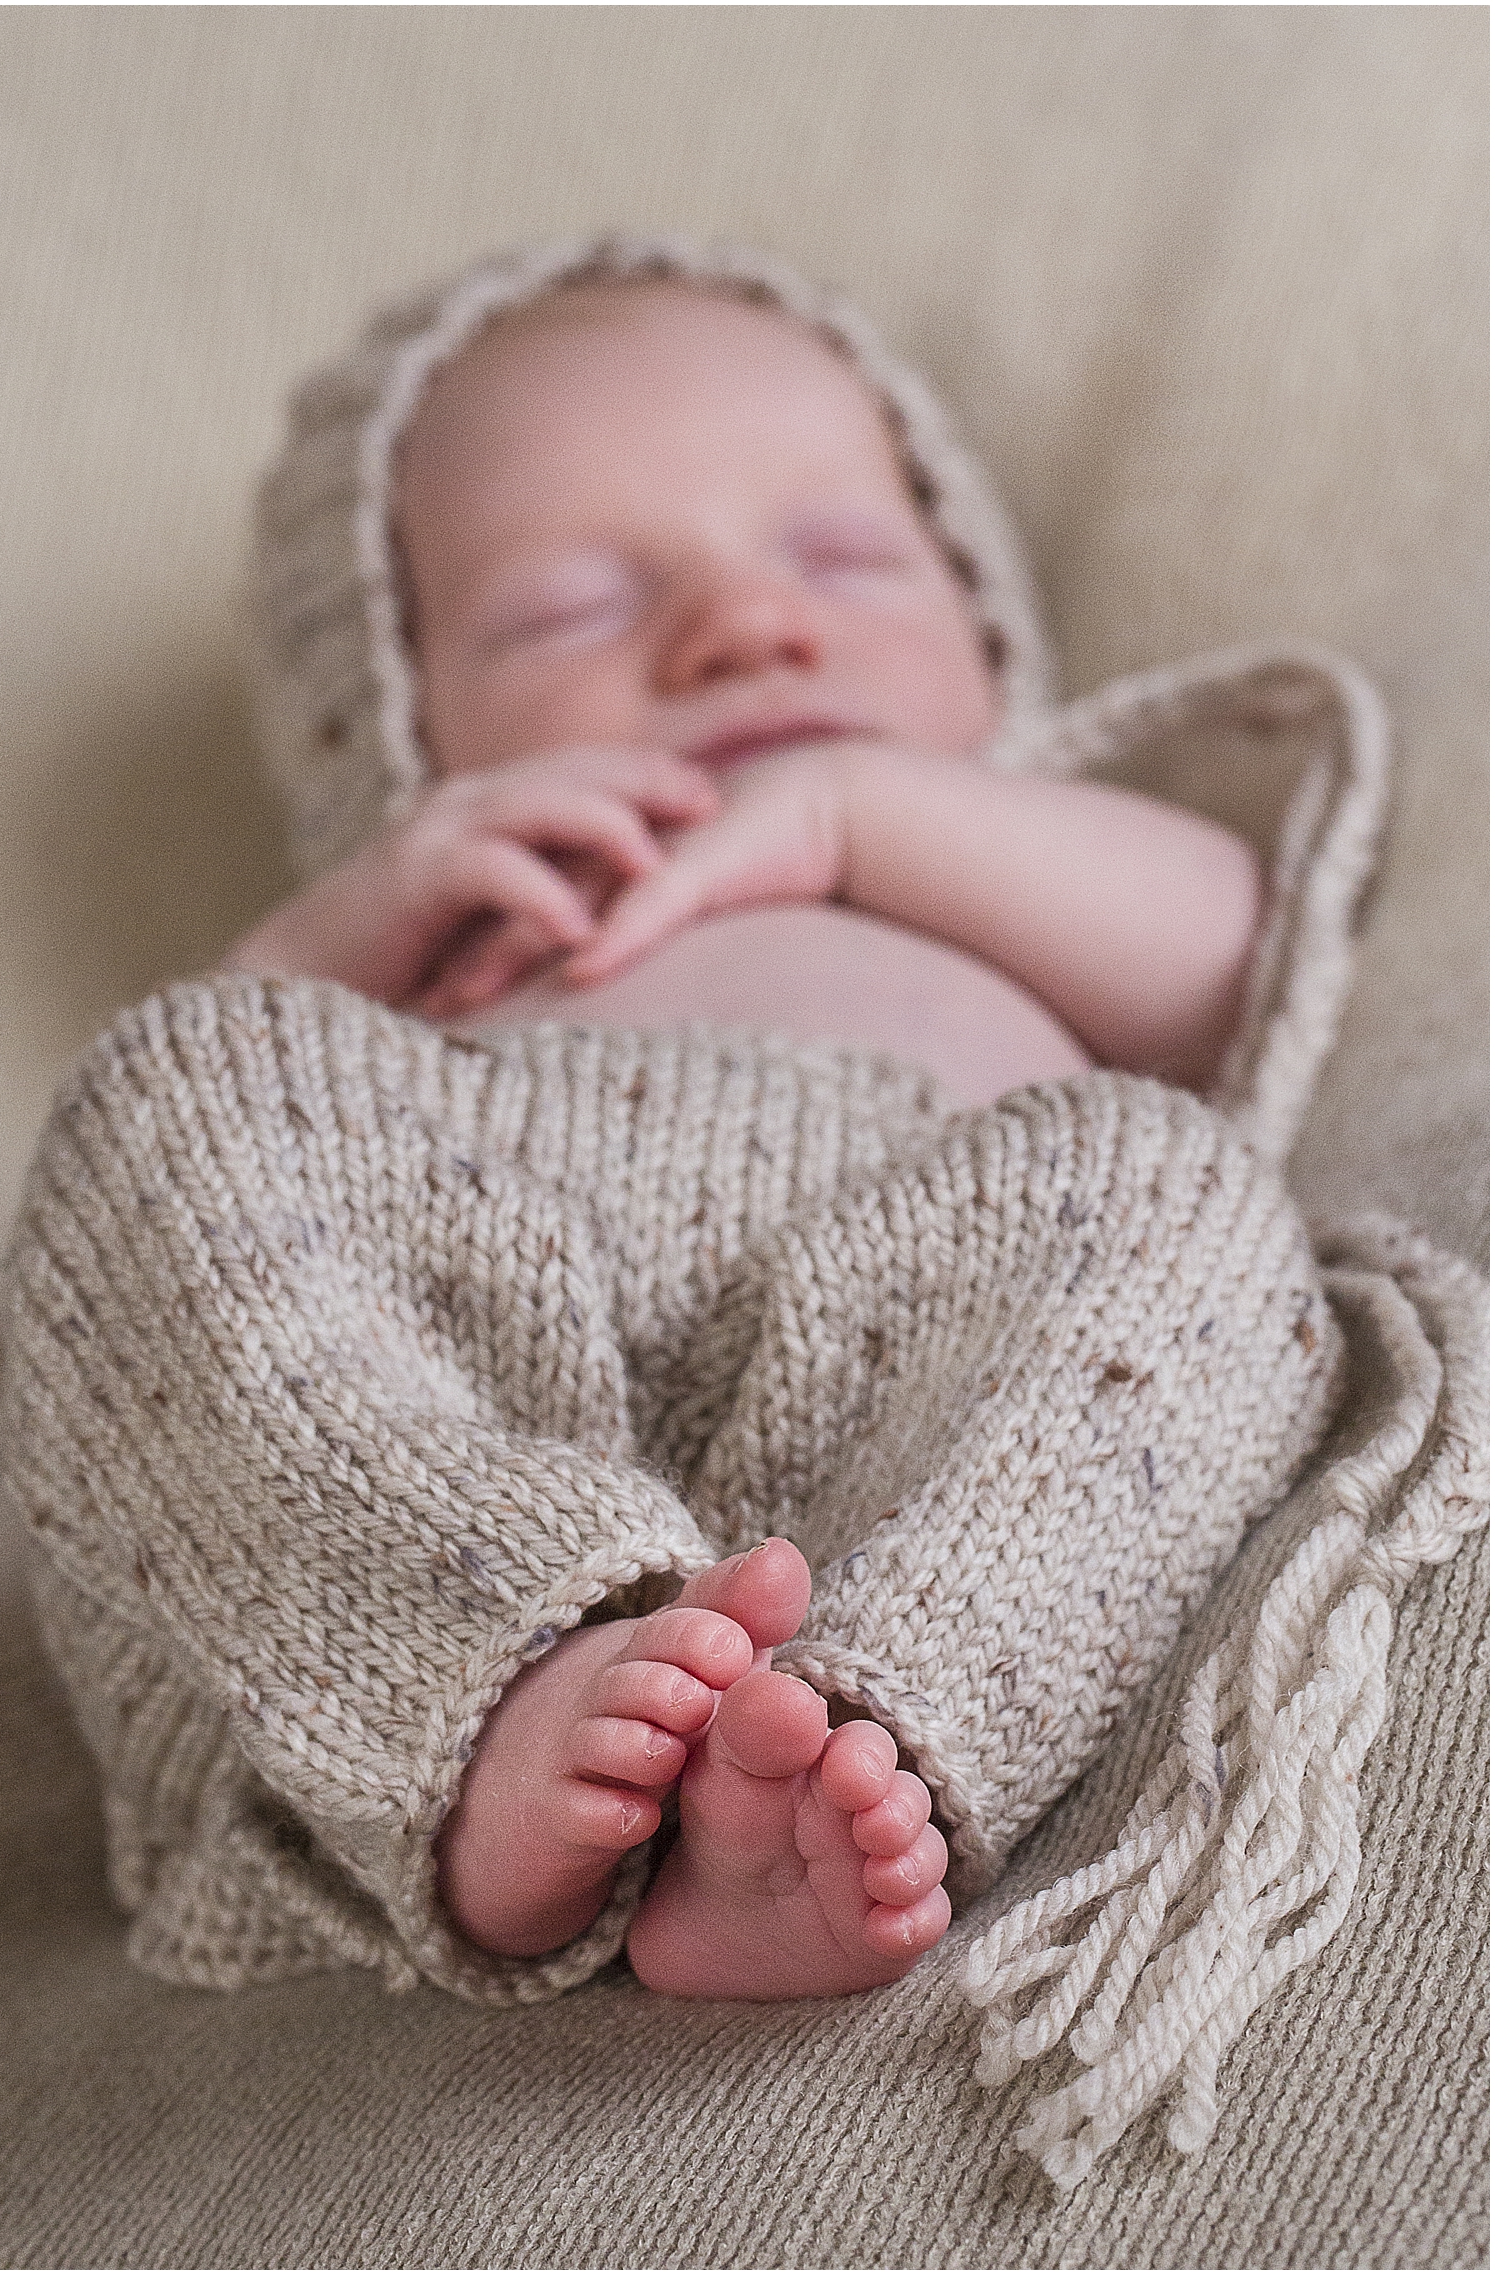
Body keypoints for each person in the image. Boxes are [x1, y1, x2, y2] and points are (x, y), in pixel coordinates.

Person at [224, 266, 1261, 1999]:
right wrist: (335, 937)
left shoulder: (995, 849)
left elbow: (1231, 959)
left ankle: (839, 1747)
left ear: (989, 636)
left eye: (845, 563)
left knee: (1195, 1192)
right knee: (183, 1091)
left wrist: (859, 816)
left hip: (909, 1410)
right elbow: (197, 1262)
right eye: (563, 610)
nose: (746, 628)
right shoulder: (446, 958)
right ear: (403, 734)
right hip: (482, 1428)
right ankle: (482, 1713)